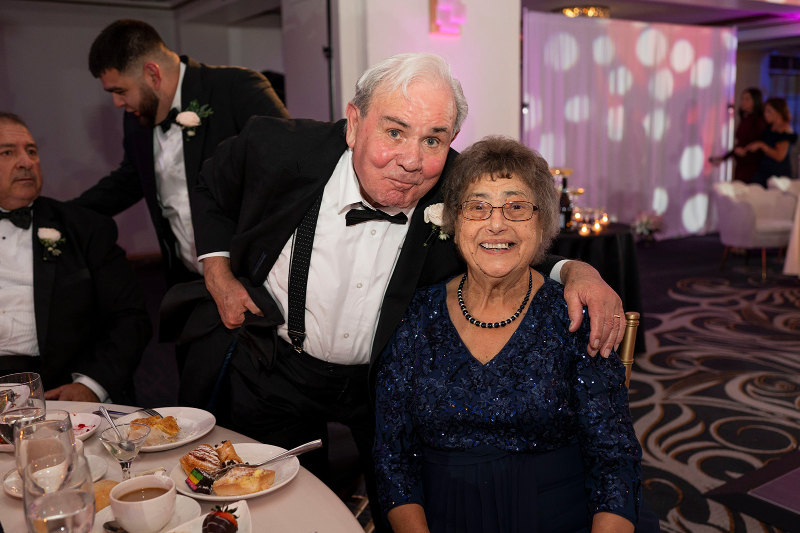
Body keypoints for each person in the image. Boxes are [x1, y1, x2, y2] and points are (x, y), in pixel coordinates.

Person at [171, 53, 625, 525]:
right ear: (354, 123)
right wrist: (218, 274)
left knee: (400, 501)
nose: (412, 161)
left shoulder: (456, 184)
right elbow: (210, 189)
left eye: (433, 139)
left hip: (383, 379)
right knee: (273, 508)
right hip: (275, 366)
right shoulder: (278, 147)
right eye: (394, 132)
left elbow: (505, 238)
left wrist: (575, 270)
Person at [373, 136, 659, 533]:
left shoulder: (574, 316)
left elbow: (613, 460)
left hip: (562, 517)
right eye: (477, 206)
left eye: (517, 206)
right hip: (439, 518)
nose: (496, 223)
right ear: (454, 222)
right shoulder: (415, 317)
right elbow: (393, 457)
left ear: (543, 224)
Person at [73, 19, 290, 287]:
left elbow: (289, 164)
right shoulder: (136, 116)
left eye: (120, 91)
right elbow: (131, 179)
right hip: (187, 283)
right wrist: (63, 212)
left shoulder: (237, 87)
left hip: (257, 281)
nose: (117, 103)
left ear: (153, 74)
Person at [0, 113, 151, 404]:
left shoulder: (85, 228)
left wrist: (91, 385)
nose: (27, 162)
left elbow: (130, 318)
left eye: (31, 151)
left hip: (60, 389)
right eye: (8, 152)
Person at [709, 88, 766, 184]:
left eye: (747, 99)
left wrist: (747, 153)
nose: (743, 102)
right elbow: (740, 144)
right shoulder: (745, 118)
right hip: (741, 165)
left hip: (752, 166)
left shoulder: (759, 121)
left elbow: (759, 143)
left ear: (755, 101)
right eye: (742, 98)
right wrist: (724, 158)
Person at [747, 97, 798, 187]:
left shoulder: (784, 131)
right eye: (765, 111)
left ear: (779, 112)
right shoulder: (770, 127)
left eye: (769, 111)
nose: (765, 114)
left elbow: (779, 156)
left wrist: (762, 145)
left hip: (777, 175)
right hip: (764, 171)